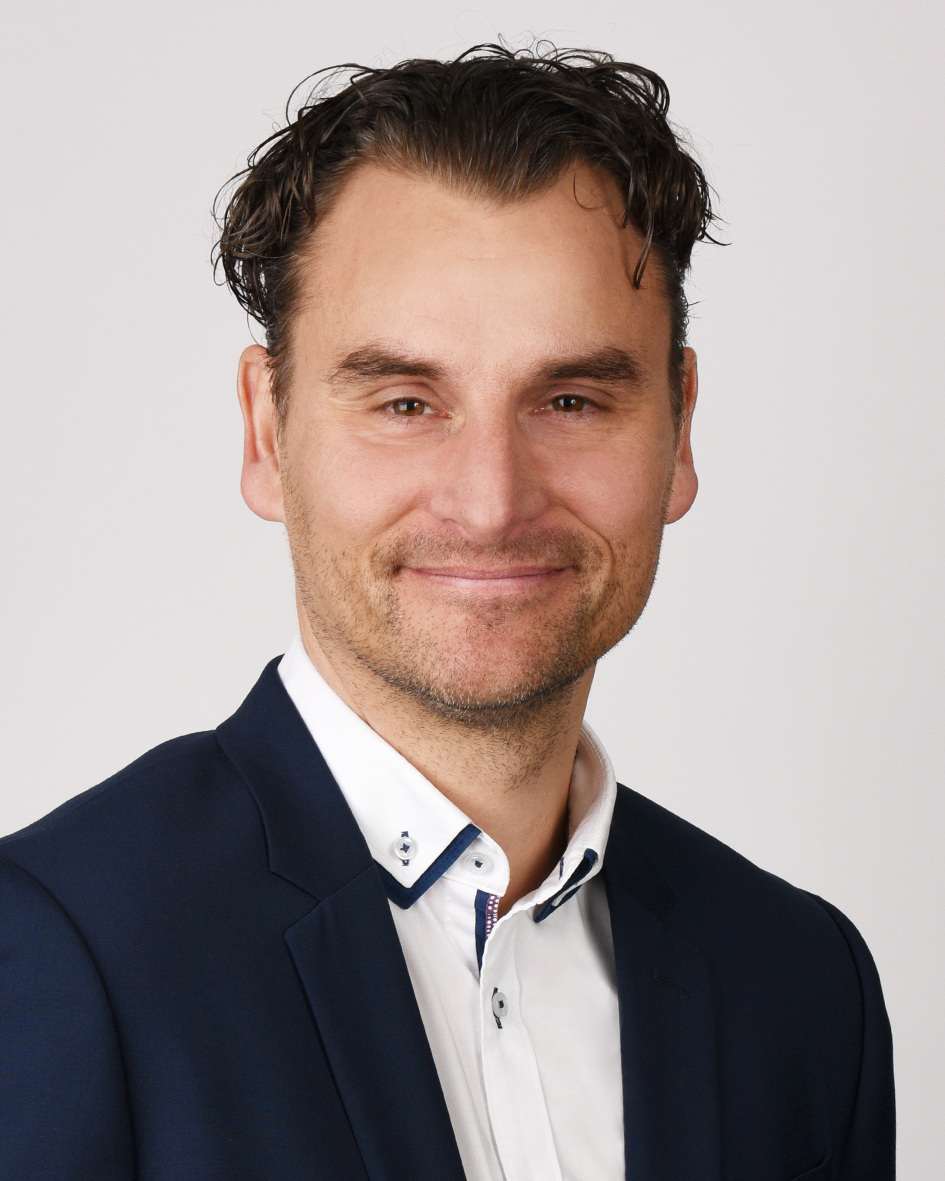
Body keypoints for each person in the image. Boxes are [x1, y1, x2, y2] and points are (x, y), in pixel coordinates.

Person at [0, 44, 894, 1181]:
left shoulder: (802, 987)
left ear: (679, 426)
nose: (491, 500)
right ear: (266, 431)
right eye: (405, 402)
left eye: (570, 399)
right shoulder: (57, 949)